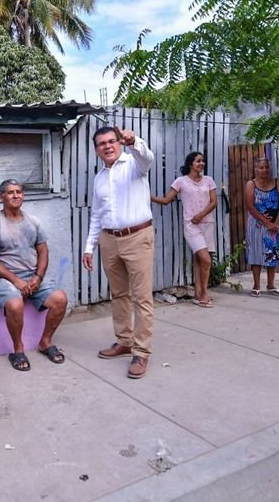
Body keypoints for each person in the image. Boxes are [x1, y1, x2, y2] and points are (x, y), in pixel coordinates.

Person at [83, 126, 155, 380]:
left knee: (141, 297)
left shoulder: (135, 164)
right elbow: (96, 214)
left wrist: (135, 141)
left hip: (137, 237)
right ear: (96, 150)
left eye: (111, 141)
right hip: (109, 239)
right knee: (119, 294)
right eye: (101, 144)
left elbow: (148, 158)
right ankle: (124, 341)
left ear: (120, 143)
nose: (107, 146)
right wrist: (89, 246)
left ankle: (141, 351)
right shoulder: (99, 177)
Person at [0, 179, 68, 372]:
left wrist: (38, 277)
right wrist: (17, 281)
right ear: (1, 197)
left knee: (60, 299)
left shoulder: (33, 222)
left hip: (32, 275)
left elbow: (43, 250)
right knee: (15, 304)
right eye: (10, 192)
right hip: (5, 278)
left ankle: (45, 342)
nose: (15, 195)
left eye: (19, 192)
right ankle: (18, 350)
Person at [152, 151, 218, 307]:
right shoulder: (180, 181)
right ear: (190, 164)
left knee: (200, 259)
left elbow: (214, 202)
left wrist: (201, 215)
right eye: (198, 161)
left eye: (203, 161)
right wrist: (148, 196)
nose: (201, 164)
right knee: (206, 260)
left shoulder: (209, 180)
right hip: (191, 225)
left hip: (207, 223)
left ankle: (197, 293)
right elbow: (166, 200)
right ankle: (205, 295)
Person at [244, 157, 279, 297]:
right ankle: (256, 285)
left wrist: (276, 223)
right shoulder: (251, 184)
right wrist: (267, 223)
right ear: (256, 169)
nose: (264, 170)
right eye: (261, 167)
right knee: (256, 253)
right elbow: (250, 206)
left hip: (275, 225)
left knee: (272, 254)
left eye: (267, 167)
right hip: (257, 225)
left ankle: (271, 284)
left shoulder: (277, 182)